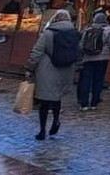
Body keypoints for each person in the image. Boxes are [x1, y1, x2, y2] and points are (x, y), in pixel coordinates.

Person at [25, 9, 79, 140]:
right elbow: (79, 52)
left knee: (44, 102)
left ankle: (42, 130)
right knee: (57, 98)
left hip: (47, 70)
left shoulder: (48, 33)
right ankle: (56, 120)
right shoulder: (75, 33)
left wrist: (30, 67)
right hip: (65, 70)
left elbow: (37, 52)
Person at [78, 11, 110, 110]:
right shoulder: (109, 30)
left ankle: (84, 104)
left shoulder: (87, 30)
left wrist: (83, 55)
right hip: (102, 58)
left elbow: (81, 45)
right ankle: (94, 102)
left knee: (86, 80)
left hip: (88, 58)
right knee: (98, 80)